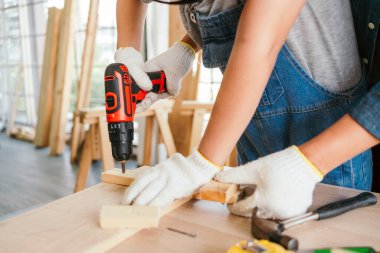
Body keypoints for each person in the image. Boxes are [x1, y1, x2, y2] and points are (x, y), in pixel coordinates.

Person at [114, 0, 376, 220]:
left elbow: (259, 44)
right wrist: (133, 52)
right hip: (253, 133)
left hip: (324, 147)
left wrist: (200, 164)